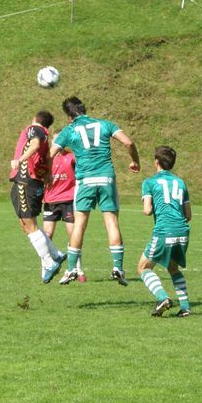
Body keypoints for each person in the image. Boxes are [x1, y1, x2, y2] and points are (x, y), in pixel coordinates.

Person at [49, 96, 140, 286]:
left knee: (79, 224)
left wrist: (46, 175)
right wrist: (135, 161)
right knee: (111, 222)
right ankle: (118, 268)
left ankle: (71, 269)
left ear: (69, 116)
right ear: (84, 109)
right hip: (106, 178)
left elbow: (51, 154)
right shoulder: (105, 124)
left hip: (85, 180)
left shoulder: (69, 130)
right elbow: (129, 143)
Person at [9, 111, 65, 283]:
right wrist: (48, 173)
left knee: (30, 225)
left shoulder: (34, 129)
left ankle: (49, 262)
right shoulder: (45, 136)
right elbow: (48, 156)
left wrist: (20, 160)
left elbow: (34, 145)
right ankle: (55, 253)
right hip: (31, 182)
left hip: (26, 181)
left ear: (35, 119)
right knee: (25, 224)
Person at [137, 146, 192, 317]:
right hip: (183, 230)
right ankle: (185, 307)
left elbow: (147, 210)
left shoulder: (149, 182)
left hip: (164, 230)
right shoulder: (180, 182)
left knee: (143, 268)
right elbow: (188, 215)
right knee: (173, 268)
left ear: (156, 162)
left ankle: (162, 298)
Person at [42, 144, 84, 284]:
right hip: (50, 201)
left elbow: (81, 172)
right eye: (55, 140)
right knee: (47, 235)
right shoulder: (46, 158)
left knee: (73, 235)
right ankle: (46, 266)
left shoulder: (72, 157)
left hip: (69, 200)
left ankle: (78, 269)